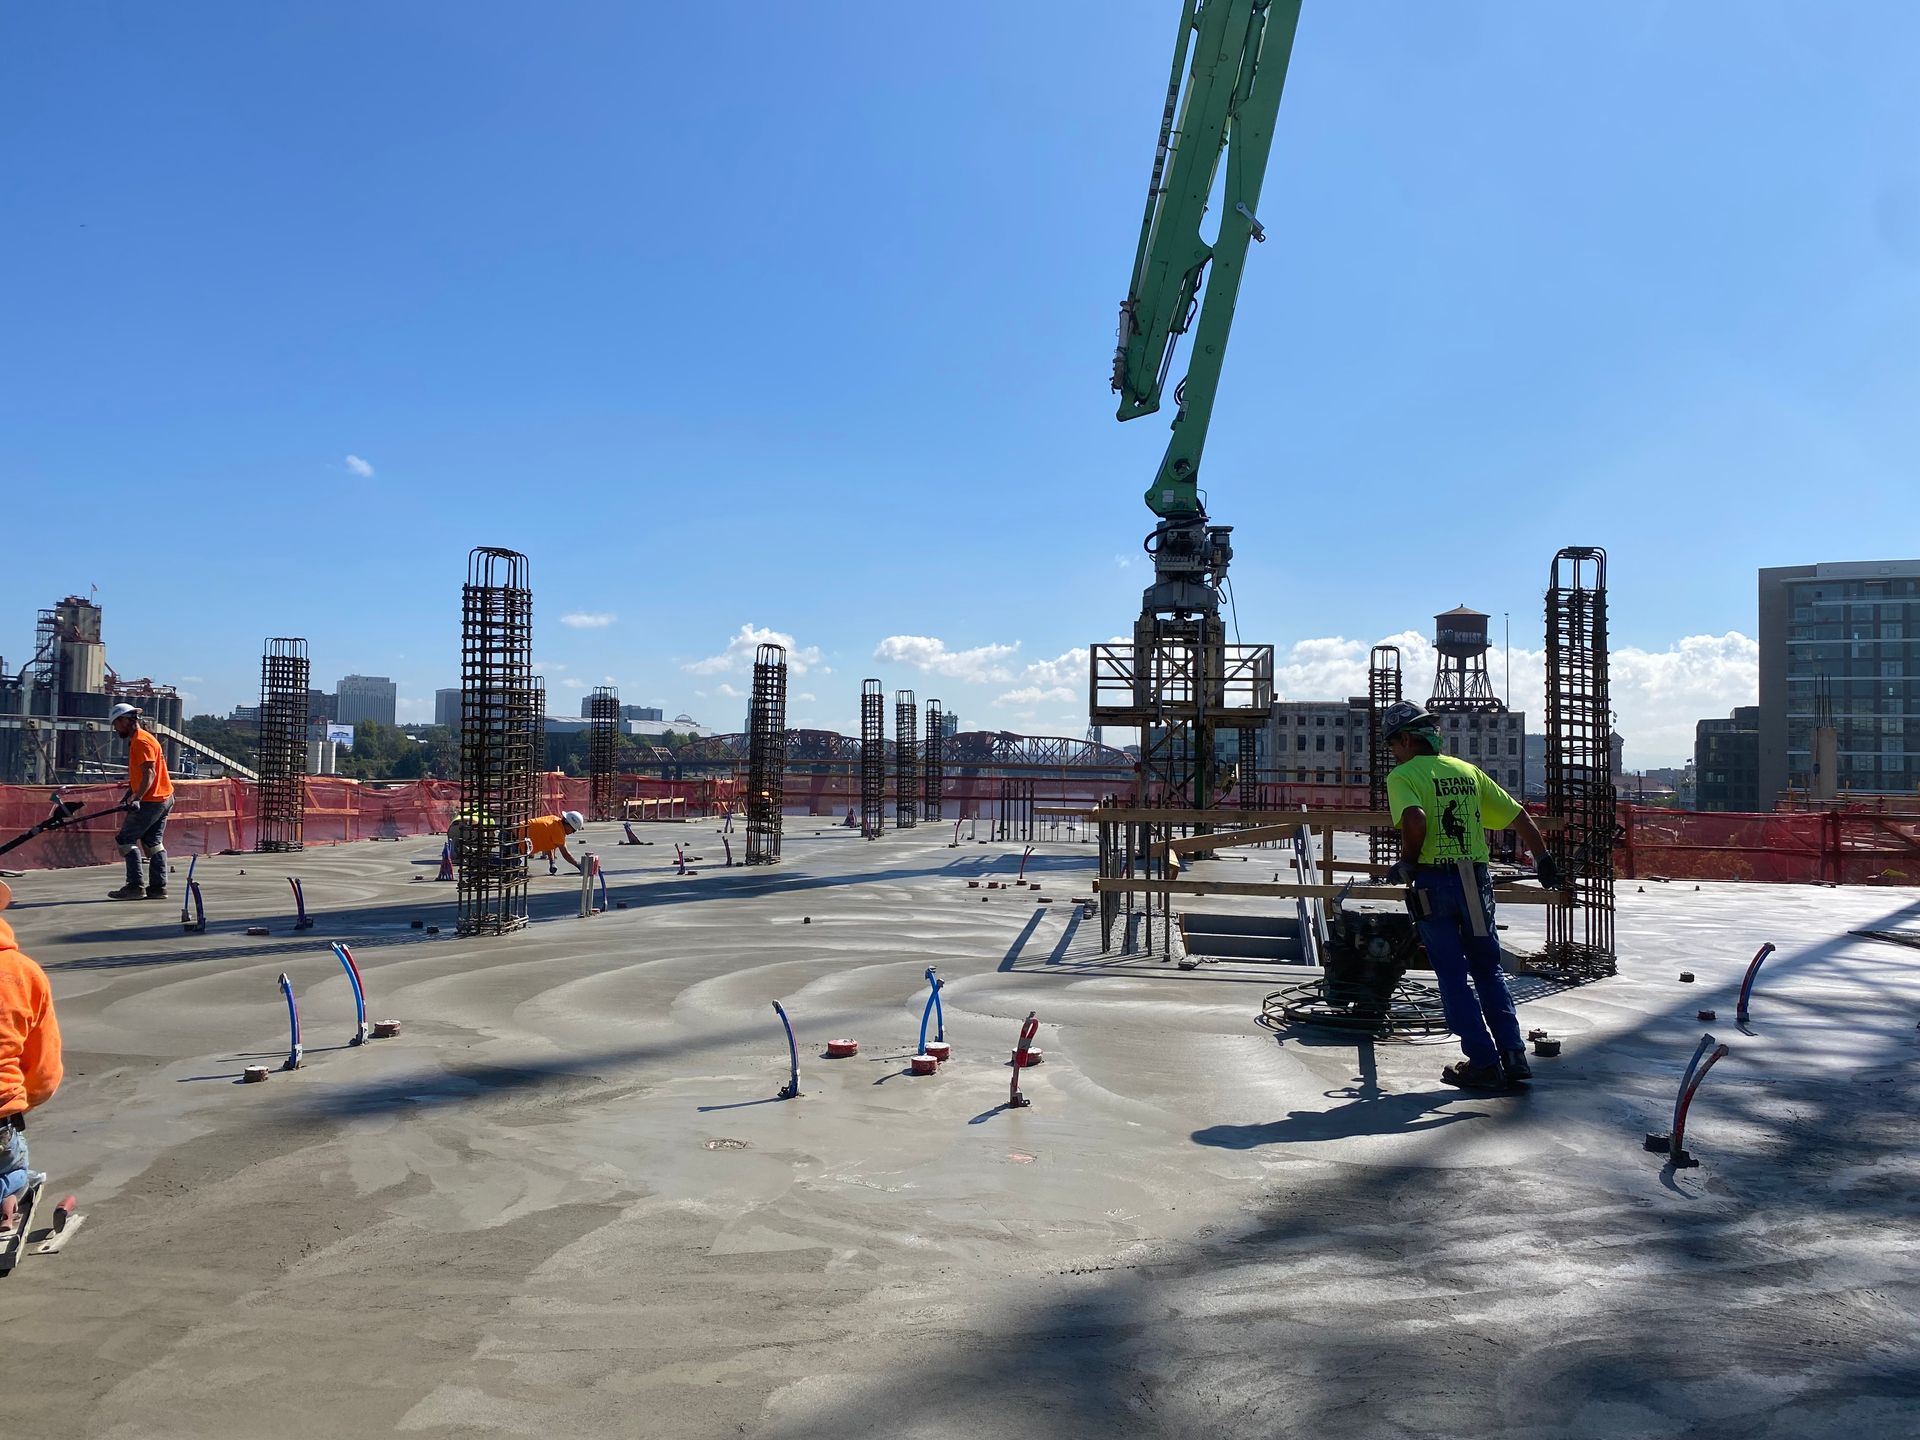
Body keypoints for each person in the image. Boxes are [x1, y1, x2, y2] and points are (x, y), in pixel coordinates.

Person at [1378, 701, 1563, 1090]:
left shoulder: (1403, 776)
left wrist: (1408, 861)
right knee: (1487, 969)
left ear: (1406, 739)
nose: (1393, 752)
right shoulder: (1467, 772)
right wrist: (1543, 858)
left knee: (1451, 974)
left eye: (1393, 744)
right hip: (1474, 881)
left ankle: (1483, 1062)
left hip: (1434, 883)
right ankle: (1513, 1055)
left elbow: (1415, 818)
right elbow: (1517, 815)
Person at [0, 880, 63, 1232]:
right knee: (14, 1170)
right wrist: (19, 1101)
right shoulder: (24, 973)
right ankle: (6, 1193)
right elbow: (44, 1073)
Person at [108, 702, 174, 901]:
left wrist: (138, 798)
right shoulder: (142, 738)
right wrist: (131, 792)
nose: (115, 729)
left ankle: (135, 886)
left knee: (125, 840)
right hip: (163, 797)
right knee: (153, 843)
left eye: (116, 724)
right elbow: (143, 774)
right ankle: (158, 888)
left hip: (151, 800)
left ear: (124, 721)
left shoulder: (141, 741)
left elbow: (149, 773)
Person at [525, 810, 588, 875]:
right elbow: (566, 854)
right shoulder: (559, 832)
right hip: (520, 844)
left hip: (520, 829)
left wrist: (552, 862)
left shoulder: (554, 820)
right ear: (568, 825)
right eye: (573, 830)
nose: (572, 833)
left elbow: (548, 843)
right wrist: (578, 865)